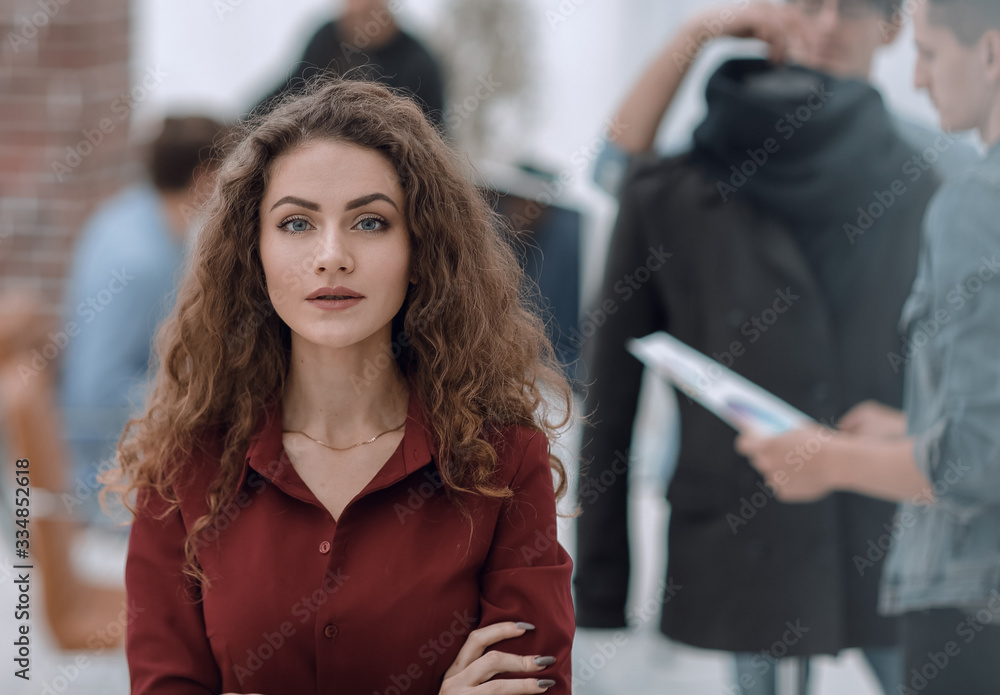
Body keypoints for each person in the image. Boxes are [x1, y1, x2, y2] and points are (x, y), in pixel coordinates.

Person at [108, 79, 574, 695]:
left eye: (371, 222)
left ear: (420, 249)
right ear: (255, 251)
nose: (331, 256)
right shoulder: (182, 466)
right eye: (297, 223)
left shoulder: (504, 460)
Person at [573, 1, 944, 693]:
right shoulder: (693, 174)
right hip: (745, 508)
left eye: (854, 8)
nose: (829, 27)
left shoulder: (924, 169)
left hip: (883, 507)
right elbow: (615, 175)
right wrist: (695, 35)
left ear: (892, 28)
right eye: (809, 5)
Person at [738, 0, 1000, 691]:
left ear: (993, 55)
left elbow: (974, 461)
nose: (915, 78)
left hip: (971, 605)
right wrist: (915, 427)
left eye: (931, 53)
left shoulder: (974, 201)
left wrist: (831, 460)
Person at [58, 115, 226, 527]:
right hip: (104, 479)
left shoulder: (131, 212)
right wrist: (199, 395)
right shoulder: (141, 261)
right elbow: (94, 394)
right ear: (206, 178)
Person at [254, 0, 445, 129]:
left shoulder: (418, 65)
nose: (356, 17)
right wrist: (247, 123)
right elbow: (290, 89)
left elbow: (431, 136)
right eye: (350, 14)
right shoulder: (326, 39)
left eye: (366, 14)